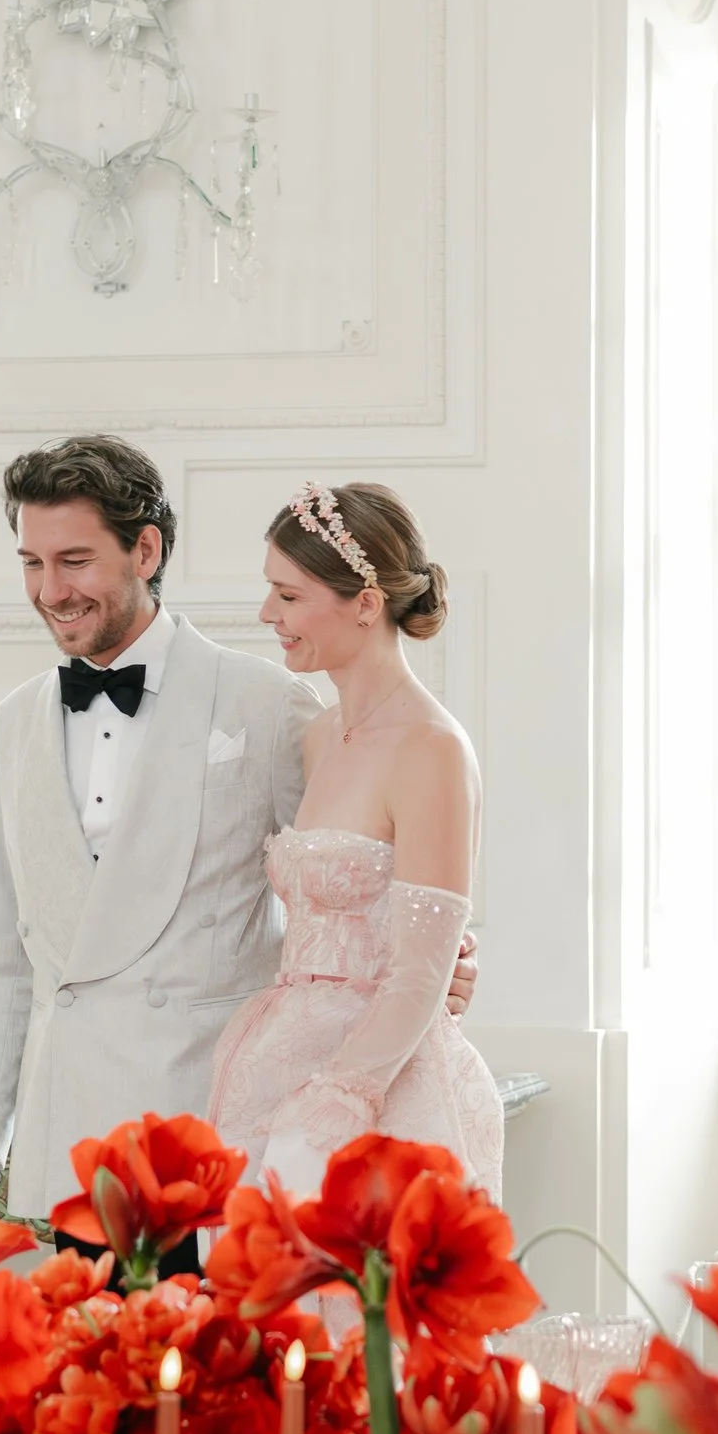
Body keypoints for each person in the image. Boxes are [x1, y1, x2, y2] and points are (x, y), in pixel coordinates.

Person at [0, 437, 322, 1255]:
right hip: (78, 1141)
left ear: (145, 551)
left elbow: (340, 893)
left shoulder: (266, 704)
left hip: (216, 1139)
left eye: (75, 561)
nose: (51, 591)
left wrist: (433, 953)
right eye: (32, 563)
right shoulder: (12, 723)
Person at [208, 481, 501, 1196]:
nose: (267, 613)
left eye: (288, 595)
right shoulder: (318, 736)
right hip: (279, 1058)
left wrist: (333, 1107)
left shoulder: (432, 748)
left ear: (366, 604)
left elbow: (420, 975)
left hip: (379, 1089)